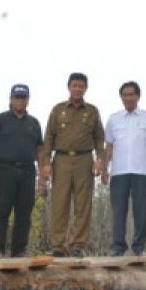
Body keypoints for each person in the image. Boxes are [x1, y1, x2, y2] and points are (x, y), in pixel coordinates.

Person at [42, 72, 105, 257]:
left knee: (83, 204)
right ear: (68, 87)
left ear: (85, 88)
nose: (77, 89)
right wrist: (46, 162)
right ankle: (58, 246)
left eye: (80, 86)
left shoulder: (92, 111)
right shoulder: (58, 109)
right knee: (59, 203)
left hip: (84, 160)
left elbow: (99, 137)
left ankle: (78, 245)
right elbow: (48, 137)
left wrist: (99, 159)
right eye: (74, 85)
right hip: (61, 160)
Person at [102, 81, 146, 256]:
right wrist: (105, 168)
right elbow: (109, 146)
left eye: (131, 94)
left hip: (141, 171)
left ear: (138, 96)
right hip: (119, 171)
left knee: (140, 210)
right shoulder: (113, 119)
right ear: (121, 97)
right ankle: (118, 246)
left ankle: (139, 247)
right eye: (125, 95)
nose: (128, 98)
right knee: (118, 210)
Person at [0, 84, 45, 257]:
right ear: (11, 99)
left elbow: (40, 150)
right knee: (1, 211)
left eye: (23, 98)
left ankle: (19, 250)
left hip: (27, 171)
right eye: (17, 97)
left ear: (27, 100)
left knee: (24, 213)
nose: (20, 101)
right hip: (4, 169)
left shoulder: (34, 123)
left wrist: (42, 174)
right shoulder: (0, 119)